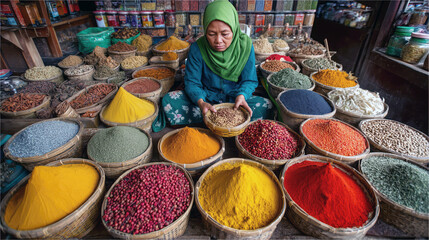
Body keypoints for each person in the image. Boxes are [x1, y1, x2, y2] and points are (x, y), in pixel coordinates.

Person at [161, 0, 273, 126]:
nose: (218, 40)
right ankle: (214, 117)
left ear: (234, 30)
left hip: (234, 101)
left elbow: (249, 80)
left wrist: (242, 96)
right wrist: (201, 102)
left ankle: (207, 122)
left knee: (266, 105)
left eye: (225, 34)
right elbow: (192, 82)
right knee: (169, 101)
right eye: (211, 34)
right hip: (206, 97)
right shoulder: (198, 48)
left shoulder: (245, 46)